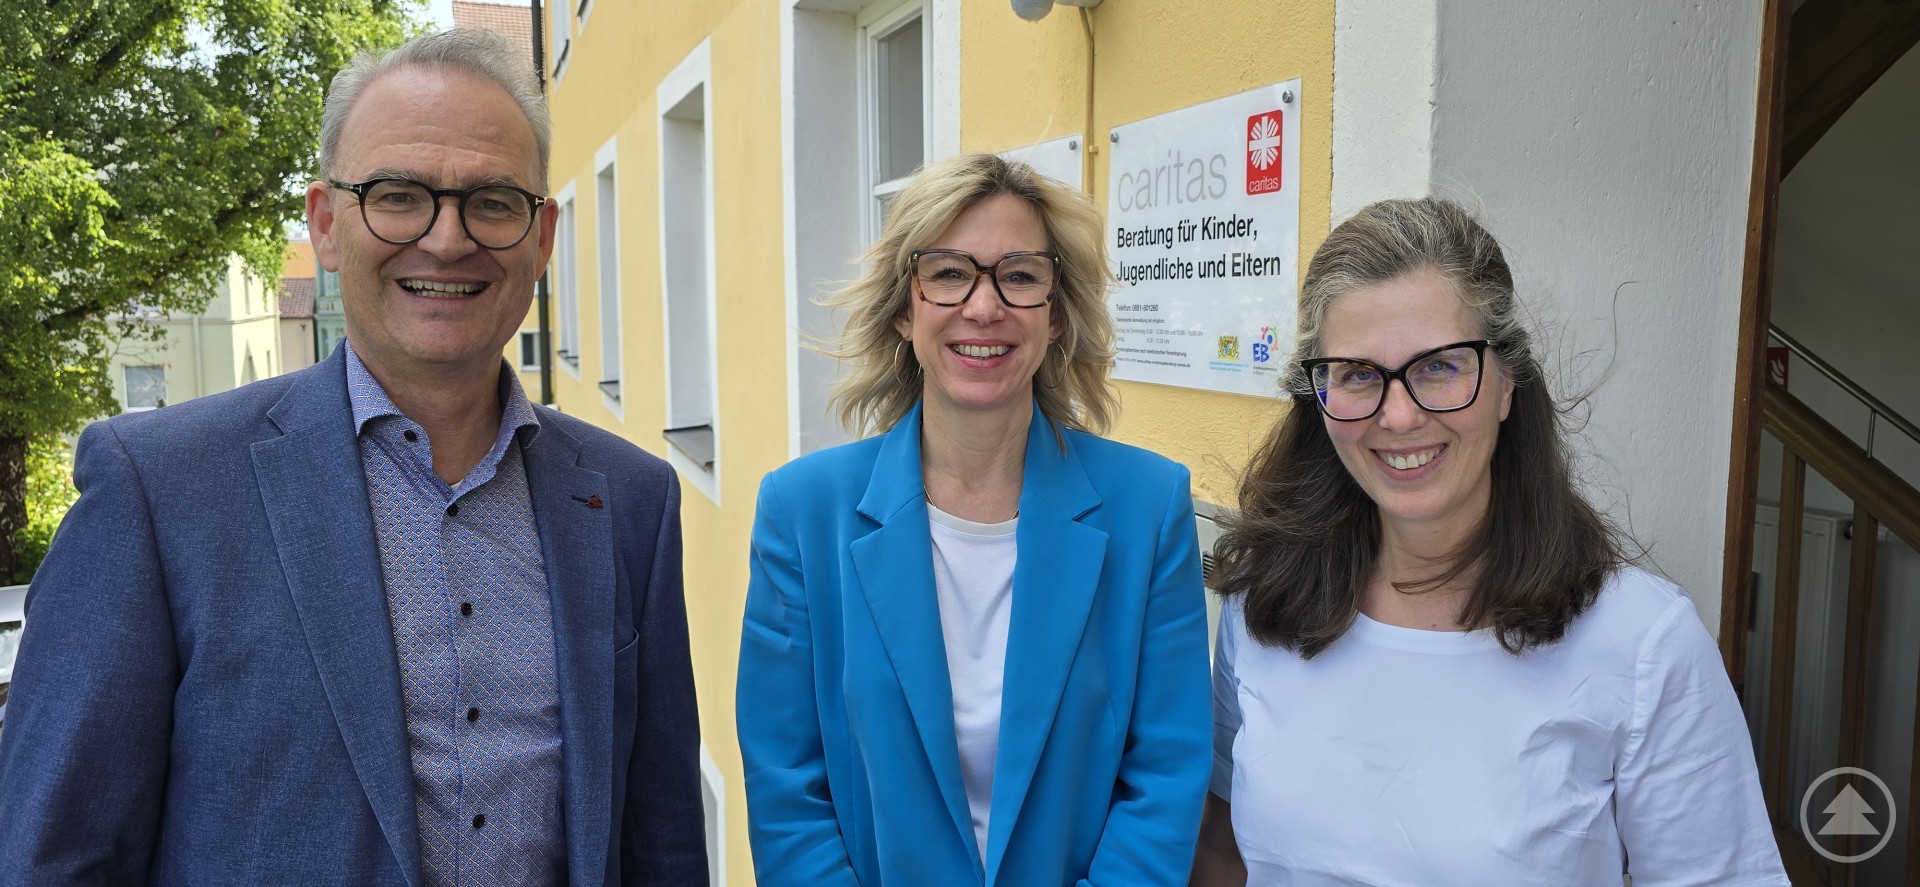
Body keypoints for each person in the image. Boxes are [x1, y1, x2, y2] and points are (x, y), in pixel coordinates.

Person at [0, 30, 707, 886]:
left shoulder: (632, 500)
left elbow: (661, 840)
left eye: (491, 200)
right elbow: (54, 854)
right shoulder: (160, 492)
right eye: (398, 195)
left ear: (542, 234)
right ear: (326, 223)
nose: (447, 241)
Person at [1189, 197, 1787, 886]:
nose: (1400, 414)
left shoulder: (1644, 643)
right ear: (1316, 395)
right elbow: (1222, 848)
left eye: (1440, 365)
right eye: (1357, 373)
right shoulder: (1265, 604)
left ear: (1507, 382)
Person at [736, 153, 1212, 886]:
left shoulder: (1148, 506)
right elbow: (786, 791)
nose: (984, 307)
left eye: (1019, 275)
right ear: (905, 309)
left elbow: (1166, 775)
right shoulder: (803, 513)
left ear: (1056, 315)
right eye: (950, 273)